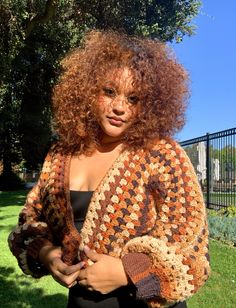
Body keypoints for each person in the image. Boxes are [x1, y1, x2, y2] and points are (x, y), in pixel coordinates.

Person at [8, 30, 210, 308]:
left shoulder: (162, 155)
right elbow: (29, 221)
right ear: (88, 90)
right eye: (109, 91)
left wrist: (127, 270)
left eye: (133, 99)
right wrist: (45, 254)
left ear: (149, 105)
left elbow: (193, 251)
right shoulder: (60, 155)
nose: (119, 107)